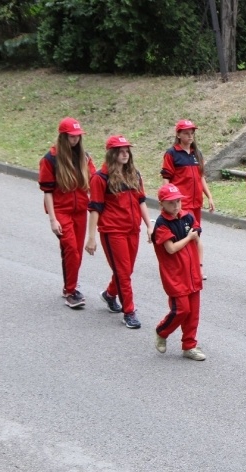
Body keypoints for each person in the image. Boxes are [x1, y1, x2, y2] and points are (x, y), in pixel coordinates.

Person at [85, 135, 154, 329]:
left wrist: (149, 225)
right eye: (121, 151)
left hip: (133, 230)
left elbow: (141, 201)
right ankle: (129, 312)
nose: (125, 154)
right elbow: (95, 208)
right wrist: (91, 238)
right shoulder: (100, 178)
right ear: (112, 153)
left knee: (126, 270)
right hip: (112, 231)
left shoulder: (134, 174)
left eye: (127, 150)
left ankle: (109, 294)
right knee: (124, 273)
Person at [38, 117, 96, 308]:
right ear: (63, 137)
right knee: (70, 248)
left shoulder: (84, 157)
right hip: (61, 210)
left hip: (80, 210)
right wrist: (53, 220)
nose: (76, 140)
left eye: (78, 136)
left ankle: (68, 287)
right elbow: (47, 191)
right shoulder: (50, 159)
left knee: (76, 252)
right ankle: (71, 291)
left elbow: (95, 181)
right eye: (72, 136)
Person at [152, 184, 206, 361]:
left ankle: (189, 346)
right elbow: (171, 249)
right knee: (181, 310)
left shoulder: (188, 217)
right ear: (162, 205)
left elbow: (198, 241)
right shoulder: (161, 224)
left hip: (192, 273)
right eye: (171, 203)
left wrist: (200, 264)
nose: (176, 206)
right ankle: (162, 331)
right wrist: (189, 237)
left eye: (178, 201)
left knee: (193, 313)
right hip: (175, 276)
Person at [160, 119, 214, 279]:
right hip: (180, 203)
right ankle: (190, 266)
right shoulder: (171, 154)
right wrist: (166, 200)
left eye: (192, 133)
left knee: (196, 233)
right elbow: (166, 178)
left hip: (196, 202)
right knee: (186, 234)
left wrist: (209, 196)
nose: (190, 136)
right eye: (186, 133)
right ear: (178, 134)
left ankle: (196, 266)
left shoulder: (197, 154)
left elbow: (201, 177)